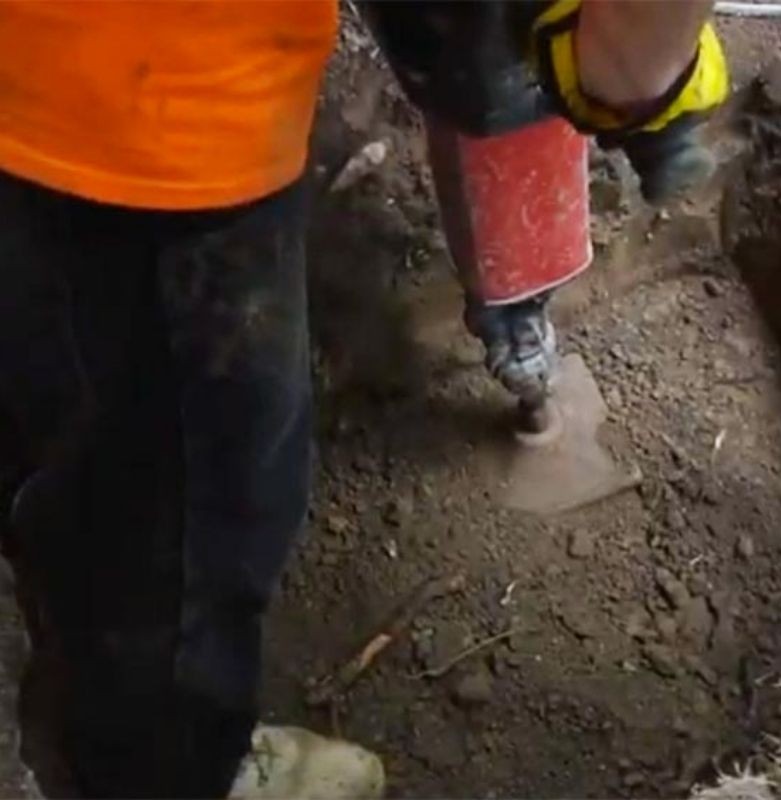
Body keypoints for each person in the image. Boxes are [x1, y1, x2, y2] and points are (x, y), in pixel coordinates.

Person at [0, 1, 724, 797]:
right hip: (127, 103)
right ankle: (157, 770)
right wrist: (649, 61)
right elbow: (623, 60)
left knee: (56, 399)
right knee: (177, 530)